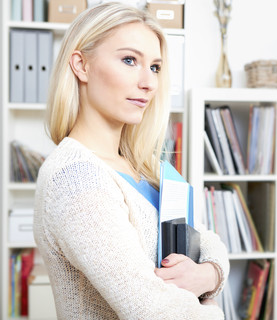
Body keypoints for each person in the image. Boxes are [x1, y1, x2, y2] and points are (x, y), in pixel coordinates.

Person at [33, 2, 229, 319]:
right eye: (129, 60)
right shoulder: (76, 179)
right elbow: (152, 310)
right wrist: (213, 307)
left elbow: (208, 240)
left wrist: (209, 275)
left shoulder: (143, 166)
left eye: (154, 67)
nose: (149, 83)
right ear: (81, 66)